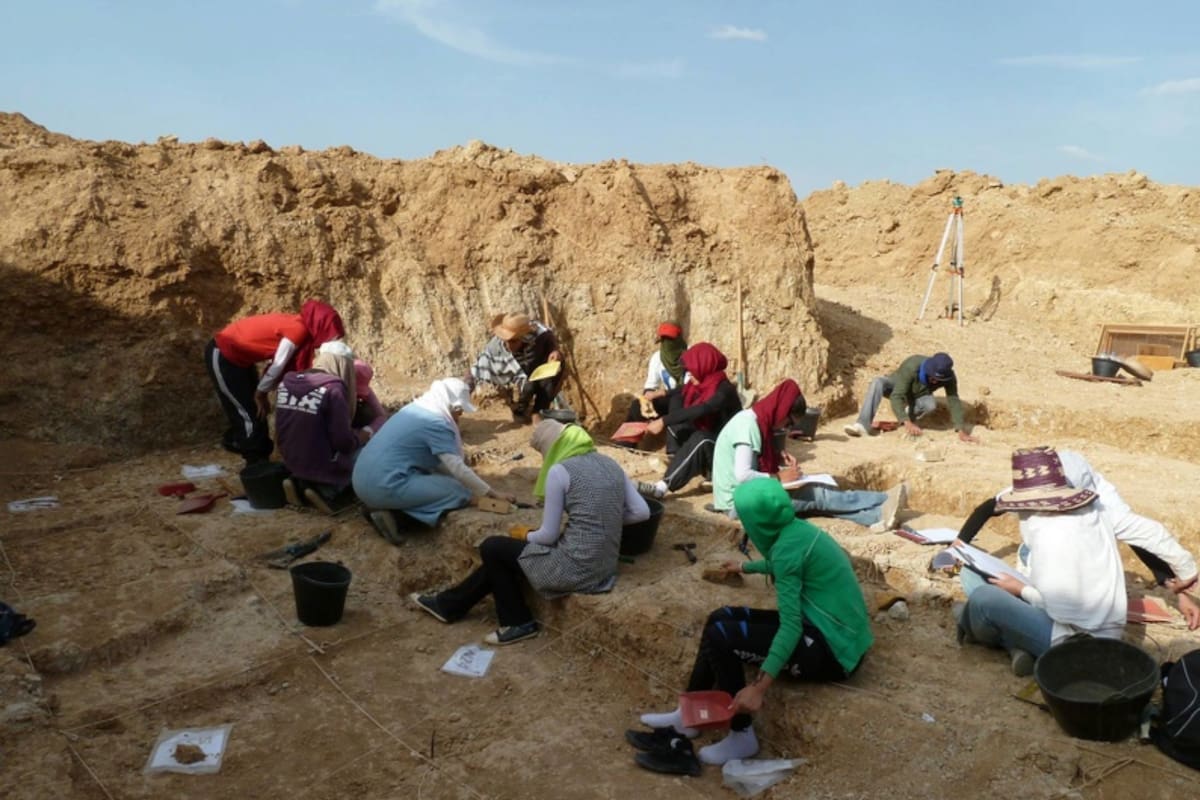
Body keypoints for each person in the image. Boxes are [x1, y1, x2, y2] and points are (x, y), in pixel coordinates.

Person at [631, 479, 873, 767]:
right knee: (720, 617)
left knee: (724, 636)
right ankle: (690, 715)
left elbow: (791, 625)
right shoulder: (798, 531)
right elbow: (785, 565)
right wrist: (745, 566)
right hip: (828, 628)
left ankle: (742, 735)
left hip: (834, 651)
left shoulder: (787, 550)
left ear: (758, 522)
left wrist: (758, 688)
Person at [952, 447, 1189, 677]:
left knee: (984, 600)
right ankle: (1017, 644)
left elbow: (1061, 610)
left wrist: (1020, 589)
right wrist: (1187, 572)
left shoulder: (1050, 535)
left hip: (1076, 639)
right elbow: (1152, 532)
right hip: (1075, 615)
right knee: (970, 573)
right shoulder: (1097, 512)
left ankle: (1013, 643)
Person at [410, 420, 650, 645]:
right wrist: (602, 522)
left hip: (575, 571)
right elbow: (641, 512)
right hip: (605, 569)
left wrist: (524, 535)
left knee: (492, 547)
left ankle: (518, 623)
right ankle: (448, 605)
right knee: (503, 559)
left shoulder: (560, 471)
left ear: (551, 449)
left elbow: (547, 536)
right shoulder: (610, 464)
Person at [710, 379, 908, 531]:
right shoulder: (748, 426)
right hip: (739, 505)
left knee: (816, 503)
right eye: (787, 423)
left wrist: (779, 457)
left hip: (745, 498)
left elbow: (753, 459)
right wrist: (778, 477)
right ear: (781, 411)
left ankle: (876, 517)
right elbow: (742, 474)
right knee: (817, 494)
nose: (786, 429)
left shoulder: (755, 422)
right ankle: (882, 499)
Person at [352, 378, 513, 544]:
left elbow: (443, 465)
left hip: (361, 481)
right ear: (452, 406)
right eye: (460, 410)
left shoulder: (417, 408)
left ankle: (378, 505)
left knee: (437, 480)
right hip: (382, 485)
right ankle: (395, 517)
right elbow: (456, 468)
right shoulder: (436, 423)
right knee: (455, 491)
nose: (461, 415)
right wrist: (491, 494)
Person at [204, 300, 345, 463]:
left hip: (241, 360)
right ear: (319, 324)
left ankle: (254, 449)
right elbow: (278, 364)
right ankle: (254, 461)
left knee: (256, 410)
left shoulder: (298, 324)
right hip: (223, 354)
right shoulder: (297, 330)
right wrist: (260, 393)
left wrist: (261, 392)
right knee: (245, 412)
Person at [275, 341, 370, 515]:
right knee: (367, 452)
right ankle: (328, 491)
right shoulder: (333, 389)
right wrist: (363, 435)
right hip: (322, 463)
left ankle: (297, 483)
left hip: (291, 459)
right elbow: (343, 442)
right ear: (343, 365)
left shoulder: (286, 383)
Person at [637, 343, 743, 499]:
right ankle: (676, 461)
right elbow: (681, 390)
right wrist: (660, 393)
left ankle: (662, 487)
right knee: (677, 420)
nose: (690, 376)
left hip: (726, 453)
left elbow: (704, 409)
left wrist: (663, 421)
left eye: (692, 372)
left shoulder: (724, 390)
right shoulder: (702, 383)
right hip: (711, 444)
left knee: (701, 439)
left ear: (704, 367)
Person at [843, 352, 977, 443]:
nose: (935, 382)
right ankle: (862, 425)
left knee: (930, 404)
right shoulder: (913, 365)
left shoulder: (949, 377)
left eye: (938, 380)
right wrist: (907, 422)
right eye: (932, 378)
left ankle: (906, 416)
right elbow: (897, 396)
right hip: (896, 387)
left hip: (917, 397)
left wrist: (960, 429)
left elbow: (953, 399)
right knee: (878, 382)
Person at [468, 312, 562, 423]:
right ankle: (520, 409)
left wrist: (554, 351)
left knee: (549, 382)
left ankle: (538, 411)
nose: (508, 345)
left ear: (524, 337)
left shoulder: (540, 334)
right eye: (506, 341)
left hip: (539, 368)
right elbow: (477, 369)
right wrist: (464, 388)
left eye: (513, 341)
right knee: (528, 387)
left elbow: (550, 340)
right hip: (519, 377)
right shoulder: (496, 346)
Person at [625, 321, 687, 423]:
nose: (667, 343)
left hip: (687, 400)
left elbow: (689, 387)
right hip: (667, 400)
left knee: (675, 402)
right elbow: (651, 385)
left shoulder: (691, 355)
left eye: (670, 340)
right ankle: (627, 438)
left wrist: (661, 393)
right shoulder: (657, 358)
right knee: (636, 406)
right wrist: (646, 399)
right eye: (664, 339)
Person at [352, 358, 389, 434]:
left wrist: (368, 430)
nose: (357, 394)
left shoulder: (367, 391)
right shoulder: (336, 392)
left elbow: (381, 416)